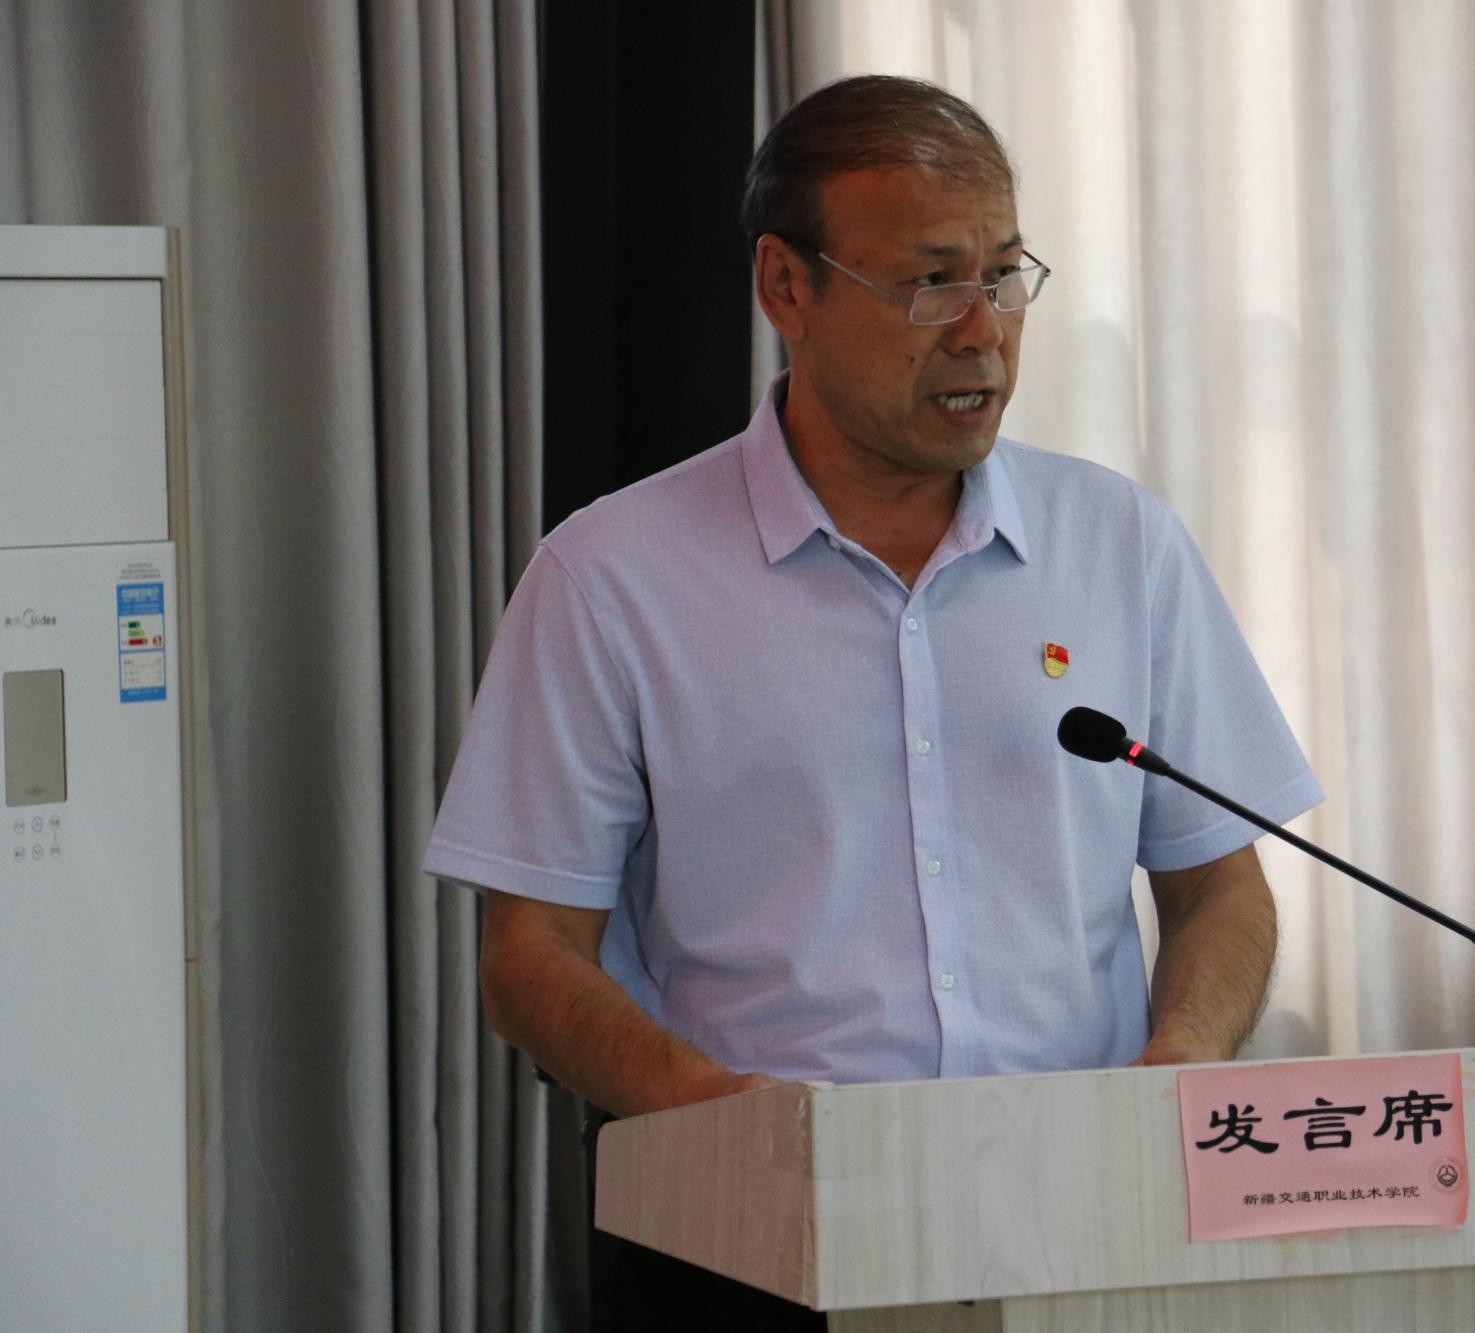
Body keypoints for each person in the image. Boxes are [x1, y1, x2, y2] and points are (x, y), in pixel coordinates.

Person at [424, 74, 1322, 1329]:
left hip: (1082, 1227)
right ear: (785, 286)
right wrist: (715, 1112)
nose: (981, 331)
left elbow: (1219, 883)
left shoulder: (1118, 543)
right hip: (753, 1241)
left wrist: (1176, 1070)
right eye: (929, 282)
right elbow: (529, 953)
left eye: (1003, 275)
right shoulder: (611, 576)